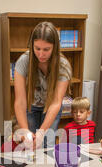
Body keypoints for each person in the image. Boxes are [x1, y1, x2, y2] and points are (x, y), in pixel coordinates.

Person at [14, 21, 72, 149]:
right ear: (31, 45)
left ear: (55, 47)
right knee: (30, 144)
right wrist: (25, 131)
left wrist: (41, 133)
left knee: (47, 144)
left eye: (46, 49)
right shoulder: (23, 61)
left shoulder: (63, 66)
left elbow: (56, 102)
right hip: (30, 106)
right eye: (37, 48)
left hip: (51, 107)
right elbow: (20, 101)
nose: (41, 54)